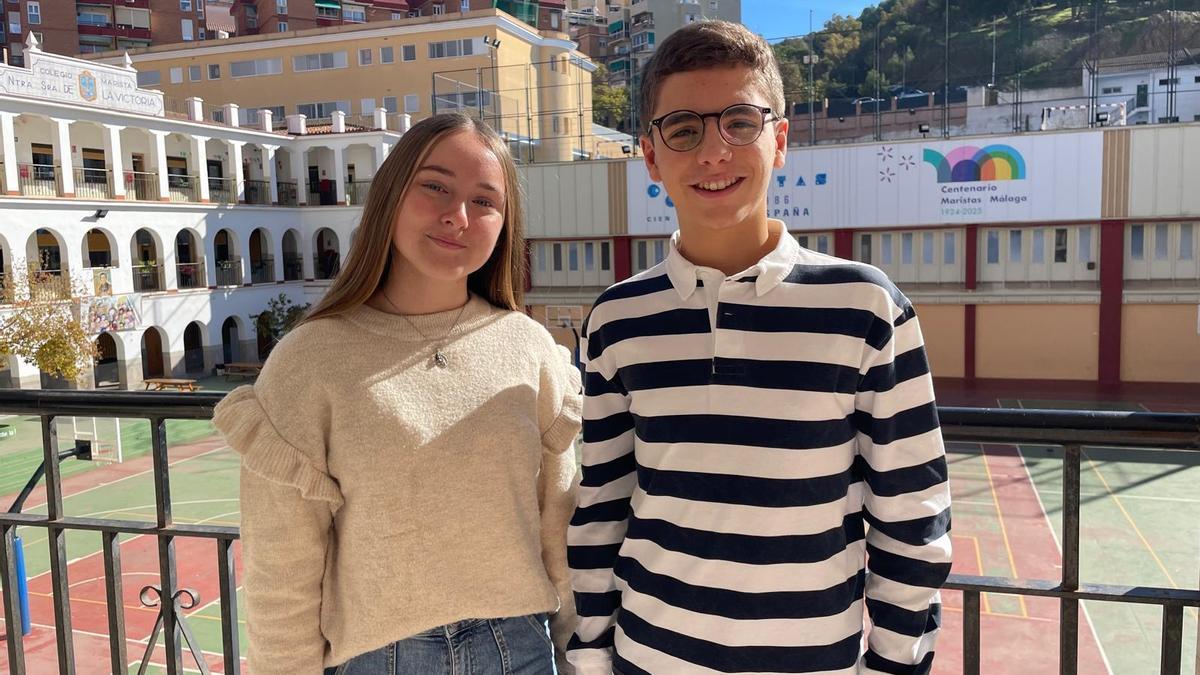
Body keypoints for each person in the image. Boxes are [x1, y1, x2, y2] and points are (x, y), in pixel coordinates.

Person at [567, 21, 952, 674]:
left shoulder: (866, 307)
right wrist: (591, 658)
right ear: (651, 157)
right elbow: (601, 508)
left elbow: (912, 515)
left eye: (739, 122)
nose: (714, 151)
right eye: (684, 129)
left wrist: (894, 664)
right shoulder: (617, 319)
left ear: (779, 140)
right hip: (647, 659)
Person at [214, 113, 581, 674]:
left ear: (505, 224)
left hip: (522, 652)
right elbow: (282, 570)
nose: (457, 215)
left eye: (485, 201)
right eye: (435, 186)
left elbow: (560, 527)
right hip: (378, 660)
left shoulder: (530, 349)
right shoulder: (309, 361)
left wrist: (578, 653)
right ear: (390, 195)